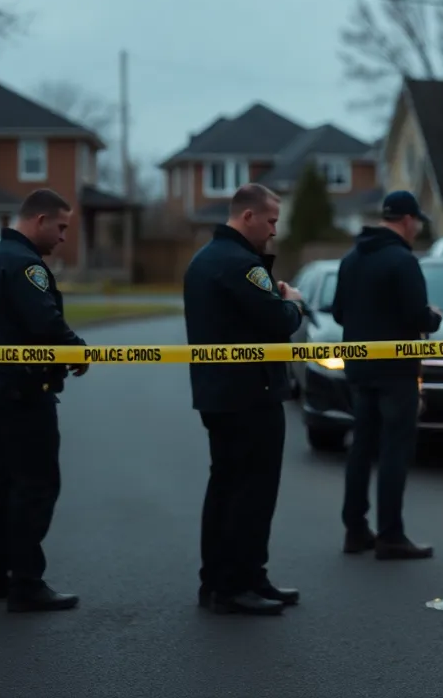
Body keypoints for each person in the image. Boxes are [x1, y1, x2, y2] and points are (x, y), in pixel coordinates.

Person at [183, 183, 306, 616]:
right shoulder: (239, 264)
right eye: (271, 221)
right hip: (251, 395)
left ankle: (234, 578)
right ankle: (236, 585)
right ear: (248, 216)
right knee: (250, 493)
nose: (274, 230)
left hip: (222, 394)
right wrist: (292, 302)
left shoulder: (207, 259)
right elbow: (276, 321)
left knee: (227, 489)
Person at [0, 188, 89, 612]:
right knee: (35, 485)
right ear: (39, 221)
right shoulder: (24, 265)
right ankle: (25, 583)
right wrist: (77, 349)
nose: (62, 238)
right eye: (60, 227)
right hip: (24, 391)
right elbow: (44, 320)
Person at [332, 190, 442, 560]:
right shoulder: (402, 261)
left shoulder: (351, 259)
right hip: (396, 372)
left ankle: (356, 529)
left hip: (359, 370)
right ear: (408, 220)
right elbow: (416, 315)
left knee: (361, 448)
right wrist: (433, 317)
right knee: (394, 449)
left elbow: (338, 312)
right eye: (416, 224)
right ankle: (391, 534)